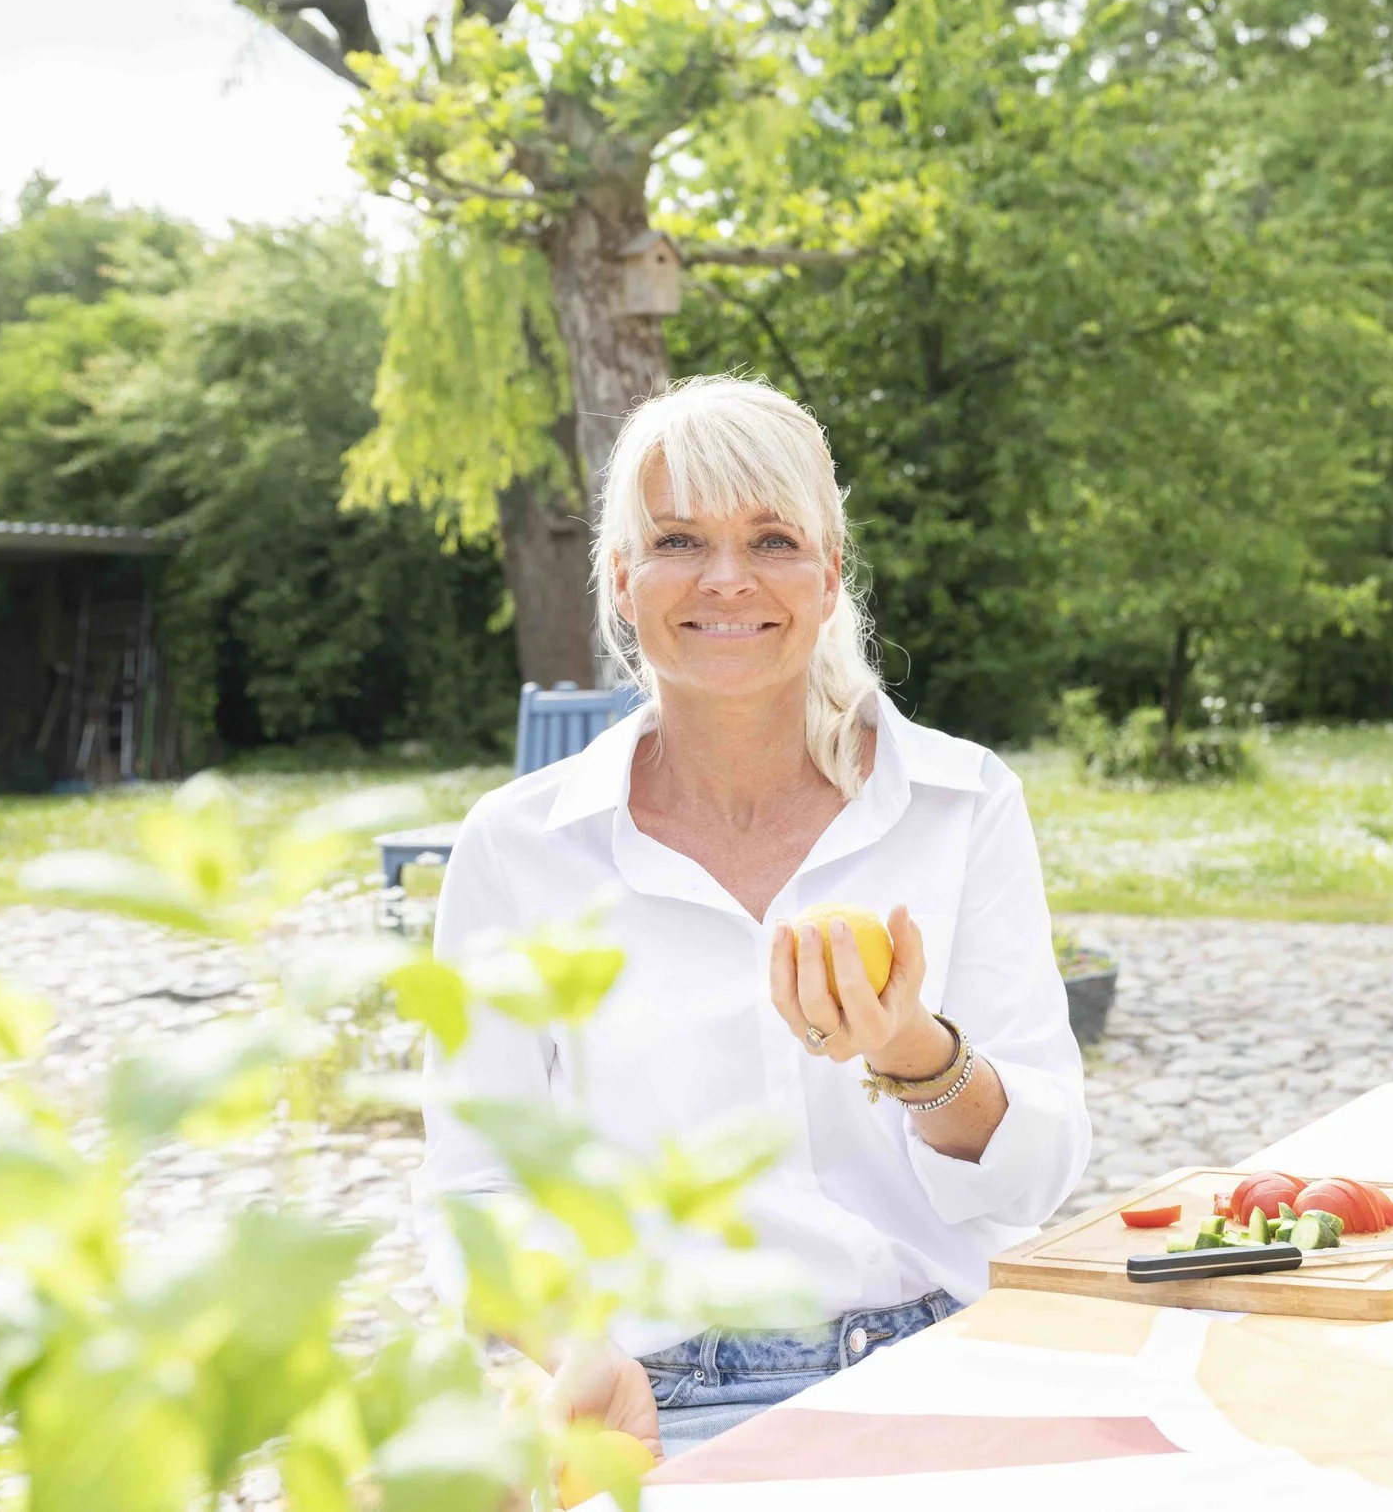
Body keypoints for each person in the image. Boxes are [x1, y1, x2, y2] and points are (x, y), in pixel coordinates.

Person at [414, 376, 1092, 1458]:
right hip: (660, 1398)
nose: (727, 579)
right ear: (622, 578)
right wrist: (575, 1347)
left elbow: (1040, 1167)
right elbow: (475, 1186)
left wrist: (914, 1051)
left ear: (828, 578)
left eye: (771, 538)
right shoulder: (520, 846)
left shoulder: (960, 801)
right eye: (680, 538)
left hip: (945, 1364)